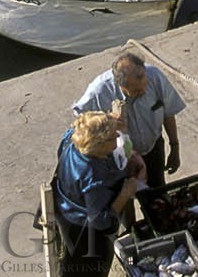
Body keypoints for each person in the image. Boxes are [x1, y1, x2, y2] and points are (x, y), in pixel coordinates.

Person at [54, 111, 146, 277]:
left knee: (73, 262)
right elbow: (101, 219)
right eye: (114, 136)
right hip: (86, 228)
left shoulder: (72, 137)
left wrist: (113, 124)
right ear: (101, 144)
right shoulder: (94, 178)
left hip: (64, 209)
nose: (118, 137)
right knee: (92, 270)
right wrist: (125, 192)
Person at [73, 51, 183, 192]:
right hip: (116, 158)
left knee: (157, 192)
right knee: (121, 198)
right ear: (121, 85)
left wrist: (175, 147)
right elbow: (83, 124)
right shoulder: (98, 92)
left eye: (144, 85)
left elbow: (168, 112)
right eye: (137, 91)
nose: (143, 92)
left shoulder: (155, 77)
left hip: (152, 149)